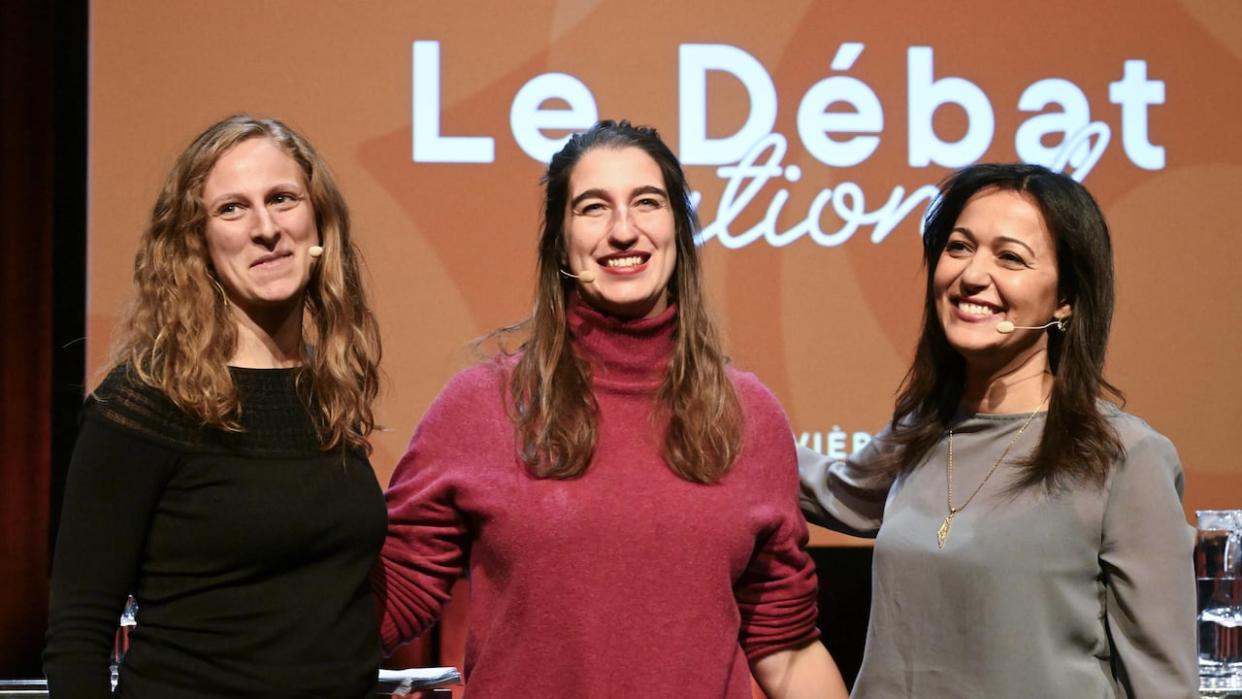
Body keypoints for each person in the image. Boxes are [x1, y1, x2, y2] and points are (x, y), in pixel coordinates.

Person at [374, 120, 848, 698]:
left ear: (679, 226)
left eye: (646, 203)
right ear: (560, 240)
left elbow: (787, 648)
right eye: (593, 208)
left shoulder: (748, 414)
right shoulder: (483, 405)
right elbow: (389, 599)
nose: (623, 230)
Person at [798, 163, 1197, 697]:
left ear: (1065, 300)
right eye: (960, 247)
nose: (972, 275)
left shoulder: (1124, 456)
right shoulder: (920, 431)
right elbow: (829, 489)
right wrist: (704, 404)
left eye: (1009, 257)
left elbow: (1161, 682)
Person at [44, 115, 385, 698]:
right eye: (231, 209)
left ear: (318, 222)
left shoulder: (328, 391)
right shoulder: (145, 402)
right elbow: (78, 630)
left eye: (282, 199)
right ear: (195, 242)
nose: (266, 228)